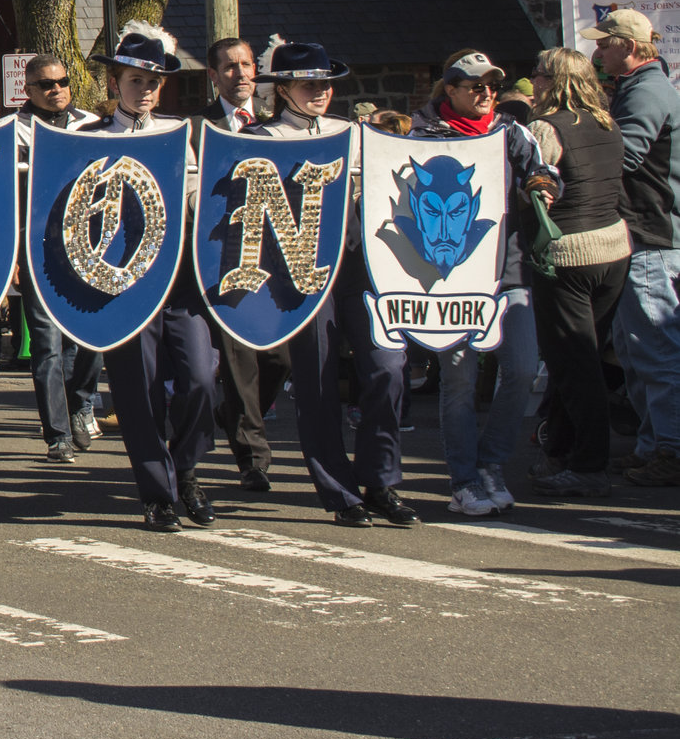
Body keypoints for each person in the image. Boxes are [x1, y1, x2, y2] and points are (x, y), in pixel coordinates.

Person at [256, 39, 414, 527]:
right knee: (317, 382)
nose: (320, 91)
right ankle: (340, 491)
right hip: (300, 272)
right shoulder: (264, 139)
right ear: (283, 90)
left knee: (388, 368)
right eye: (308, 84)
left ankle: (381, 480)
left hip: (362, 267)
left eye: (325, 83)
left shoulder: (358, 134)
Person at [414, 49, 554, 507]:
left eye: (492, 85)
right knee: (458, 380)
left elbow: (543, 171)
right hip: (447, 279)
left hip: (508, 269)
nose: (486, 93)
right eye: (475, 85)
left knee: (520, 367)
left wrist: (544, 187)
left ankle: (491, 464)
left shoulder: (511, 132)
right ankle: (464, 480)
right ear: (449, 89)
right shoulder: (420, 135)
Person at [93, 22, 217, 532]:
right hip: (123, 281)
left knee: (201, 380)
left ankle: (185, 470)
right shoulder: (89, 139)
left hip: (180, 278)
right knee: (138, 389)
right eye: (135, 80)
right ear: (115, 84)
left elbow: (198, 203)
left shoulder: (179, 135)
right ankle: (157, 491)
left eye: (153, 82)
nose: (144, 90)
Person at [521, 47, 635, 498]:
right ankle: (562, 453)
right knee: (583, 358)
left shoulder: (545, 128)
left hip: (568, 253)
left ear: (553, 80)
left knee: (573, 363)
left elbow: (537, 189)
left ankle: (588, 464)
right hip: (613, 248)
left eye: (539, 76)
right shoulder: (609, 124)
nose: (535, 83)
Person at [582, 9, 680, 487]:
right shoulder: (641, 87)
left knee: (653, 346)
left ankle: (671, 449)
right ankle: (653, 445)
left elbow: (624, 156)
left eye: (604, 44)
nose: (597, 53)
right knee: (634, 347)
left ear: (628, 45)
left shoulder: (645, 90)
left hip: (648, 233)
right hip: (641, 231)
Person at [201, 37, 287, 494]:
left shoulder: (277, 127)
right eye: (230, 68)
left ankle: (228, 415)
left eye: (247, 65)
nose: (241, 74)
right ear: (213, 76)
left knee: (277, 357)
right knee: (238, 360)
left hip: (273, 261)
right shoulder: (201, 128)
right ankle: (253, 458)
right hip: (220, 260)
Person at [15, 54, 101, 462]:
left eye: (62, 81)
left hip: (89, 250)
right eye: (46, 84)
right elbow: (7, 203)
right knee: (47, 345)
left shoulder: (93, 127)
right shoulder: (14, 132)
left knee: (88, 339)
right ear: (28, 91)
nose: (56, 89)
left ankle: (81, 402)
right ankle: (57, 434)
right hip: (39, 251)